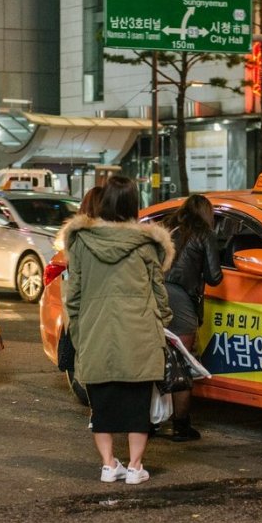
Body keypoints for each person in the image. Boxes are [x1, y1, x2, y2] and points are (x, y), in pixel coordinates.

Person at [60, 176, 173, 484]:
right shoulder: (146, 244)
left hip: (97, 332)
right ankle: (135, 467)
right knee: (138, 405)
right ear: (133, 204)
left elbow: (75, 295)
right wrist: (162, 320)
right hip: (139, 333)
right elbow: (159, 292)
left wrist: (79, 332)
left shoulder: (82, 242)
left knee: (103, 406)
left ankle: (109, 465)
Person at [162, 195, 222, 442]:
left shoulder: (168, 228)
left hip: (156, 295)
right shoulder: (204, 234)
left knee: (157, 361)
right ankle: (181, 426)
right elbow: (214, 276)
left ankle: (150, 422)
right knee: (182, 364)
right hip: (182, 300)